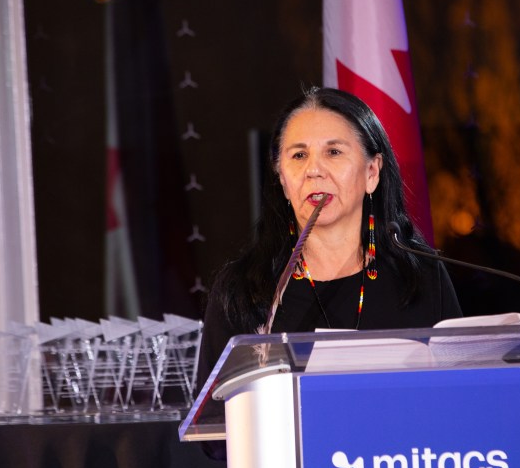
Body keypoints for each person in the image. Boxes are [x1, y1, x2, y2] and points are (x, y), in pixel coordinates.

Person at [195, 86, 462, 392]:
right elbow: (217, 427)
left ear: (372, 172)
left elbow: (457, 397)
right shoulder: (243, 290)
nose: (314, 170)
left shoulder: (419, 277)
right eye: (298, 155)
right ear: (282, 179)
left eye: (333, 152)